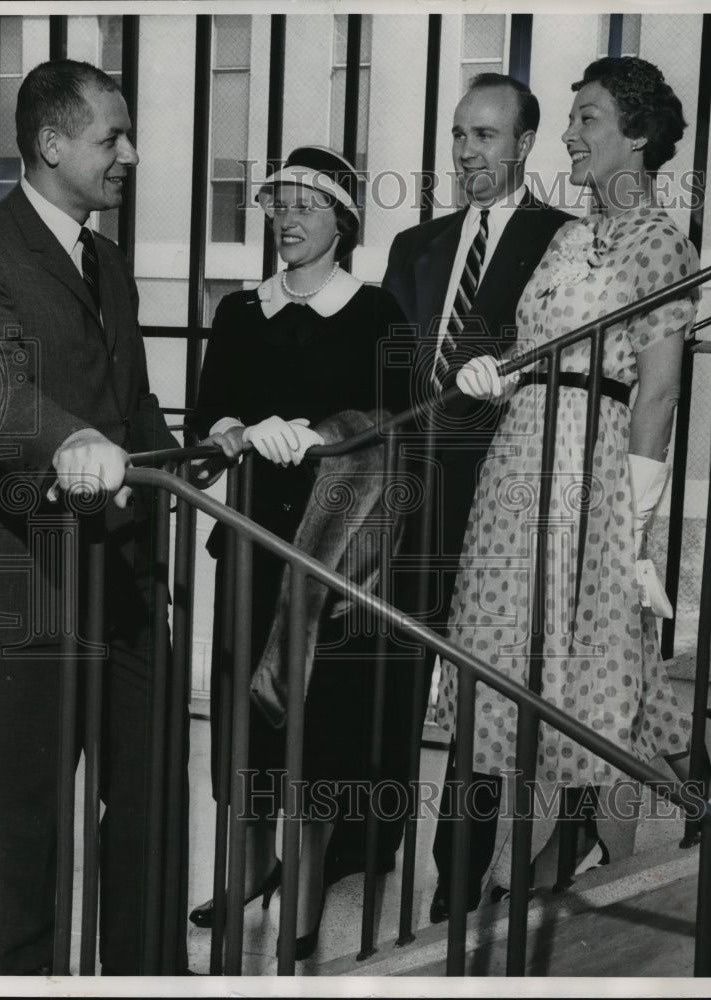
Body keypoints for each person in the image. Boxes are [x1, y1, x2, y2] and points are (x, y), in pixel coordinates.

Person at [437, 56, 700, 897]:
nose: (567, 133)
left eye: (586, 118)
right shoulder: (563, 234)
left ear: (638, 136)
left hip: (593, 459)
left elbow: (657, 388)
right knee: (504, 647)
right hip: (521, 452)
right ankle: (654, 782)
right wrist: (497, 374)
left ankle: (687, 770)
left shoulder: (663, 240)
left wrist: (636, 520)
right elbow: (535, 347)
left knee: (592, 653)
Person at [0, 60, 187, 974]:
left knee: (151, 796)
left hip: (127, 572)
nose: (131, 155)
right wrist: (68, 442)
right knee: (29, 821)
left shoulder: (103, 259)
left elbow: (131, 404)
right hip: (36, 577)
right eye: (113, 137)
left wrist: (197, 441)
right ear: (51, 143)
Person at [189, 146, 412, 959]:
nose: (288, 219)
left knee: (318, 723)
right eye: (278, 204)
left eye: (307, 205)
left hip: (334, 557)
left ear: (343, 222)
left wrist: (322, 436)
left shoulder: (376, 312)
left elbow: (395, 430)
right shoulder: (240, 313)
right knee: (245, 716)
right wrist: (236, 432)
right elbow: (207, 422)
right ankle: (250, 866)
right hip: (250, 538)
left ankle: (306, 884)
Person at [379, 73, 573, 923]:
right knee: (394, 669)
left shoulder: (565, 241)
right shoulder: (415, 246)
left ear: (524, 143)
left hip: (501, 494)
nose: (465, 153)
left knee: (482, 694)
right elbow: (384, 368)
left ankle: (456, 879)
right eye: (458, 135)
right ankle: (366, 845)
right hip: (408, 492)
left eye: (484, 136)